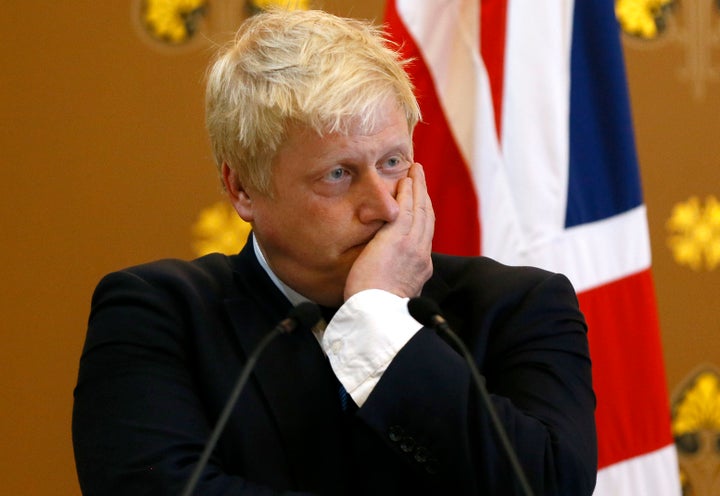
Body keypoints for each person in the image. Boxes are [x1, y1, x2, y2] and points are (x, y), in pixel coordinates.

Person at [72, 8, 597, 496]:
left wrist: (380, 319)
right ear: (243, 190)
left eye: (393, 162)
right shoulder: (155, 312)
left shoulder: (520, 304)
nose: (384, 208)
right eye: (338, 174)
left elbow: (549, 485)